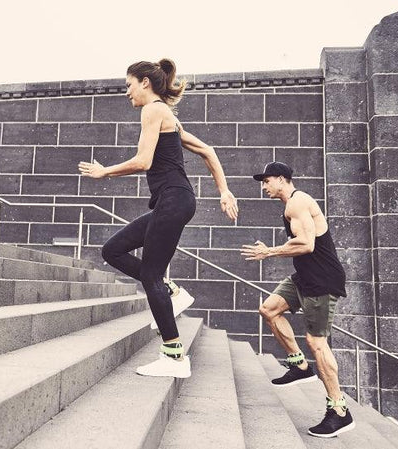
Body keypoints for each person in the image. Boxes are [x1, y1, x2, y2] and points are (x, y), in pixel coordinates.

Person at [78, 58, 238, 378]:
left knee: (150, 274)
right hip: (174, 201)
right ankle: (172, 292)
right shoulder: (169, 117)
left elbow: (143, 161)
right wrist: (224, 191)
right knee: (113, 250)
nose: (127, 92)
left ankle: (174, 356)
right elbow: (208, 151)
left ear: (145, 83)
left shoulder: (152, 110)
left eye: (128, 85)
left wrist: (105, 172)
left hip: (173, 200)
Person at [240, 161, 355, 438]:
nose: (264, 187)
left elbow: (306, 244)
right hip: (304, 277)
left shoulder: (297, 202)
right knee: (269, 309)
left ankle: (339, 410)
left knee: (317, 343)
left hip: (322, 280)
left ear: (281, 179)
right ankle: (299, 365)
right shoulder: (290, 205)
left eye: (267, 181)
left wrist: (269, 252)